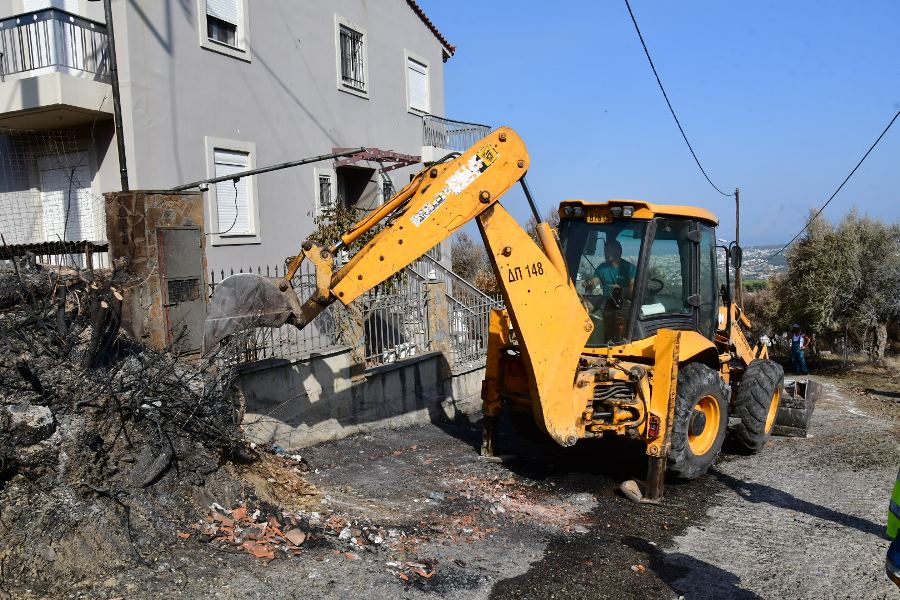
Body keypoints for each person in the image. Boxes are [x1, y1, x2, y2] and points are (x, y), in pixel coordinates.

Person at [586, 240, 636, 307]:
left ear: (619, 252)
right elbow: (593, 283)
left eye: (609, 251)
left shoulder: (630, 268)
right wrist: (589, 284)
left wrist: (620, 290)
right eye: (605, 251)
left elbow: (633, 293)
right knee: (586, 305)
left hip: (625, 305)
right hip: (606, 303)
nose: (606, 253)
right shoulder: (601, 268)